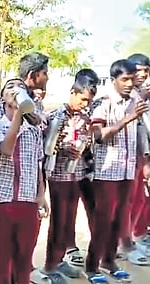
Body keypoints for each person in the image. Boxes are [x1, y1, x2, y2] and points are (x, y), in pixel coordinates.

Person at [86, 59, 149, 283]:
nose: (129, 83)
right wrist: (128, 118)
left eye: (132, 79)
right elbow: (97, 136)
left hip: (127, 170)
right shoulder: (104, 102)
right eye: (124, 79)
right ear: (113, 80)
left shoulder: (136, 100)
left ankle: (109, 261)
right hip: (106, 171)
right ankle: (92, 266)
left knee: (119, 219)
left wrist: (146, 159)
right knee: (103, 220)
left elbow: (141, 132)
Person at [0, 78, 46, 284]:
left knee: (24, 258)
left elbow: (37, 163)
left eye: (21, 87)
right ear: (2, 97)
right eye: (10, 87)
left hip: (28, 199)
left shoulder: (34, 129)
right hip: (3, 200)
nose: (16, 90)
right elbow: (6, 149)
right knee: (2, 259)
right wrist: (19, 115)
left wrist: (41, 195)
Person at [41, 75, 97, 283]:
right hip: (58, 176)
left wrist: (81, 149)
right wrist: (65, 148)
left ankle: (59, 259)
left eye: (89, 101)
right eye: (83, 99)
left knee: (69, 220)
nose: (85, 104)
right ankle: (50, 265)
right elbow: (47, 145)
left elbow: (87, 141)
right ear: (73, 93)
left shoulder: (85, 118)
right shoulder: (55, 115)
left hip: (76, 174)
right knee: (58, 220)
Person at [63, 69, 100, 267]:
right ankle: (70, 247)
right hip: (68, 170)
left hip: (89, 168)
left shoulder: (95, 108)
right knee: (69, 210)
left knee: (94, 207)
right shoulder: (64, 112)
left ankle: (98, 246)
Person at [124, 53, 150, 257]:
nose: (142, 74)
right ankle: (127, 242)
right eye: (138, 70)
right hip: (130, 157)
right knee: (131, 200)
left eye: (146, 70)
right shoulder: (128, 96)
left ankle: (139, 236)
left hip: (144, 156)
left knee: (142, 199)